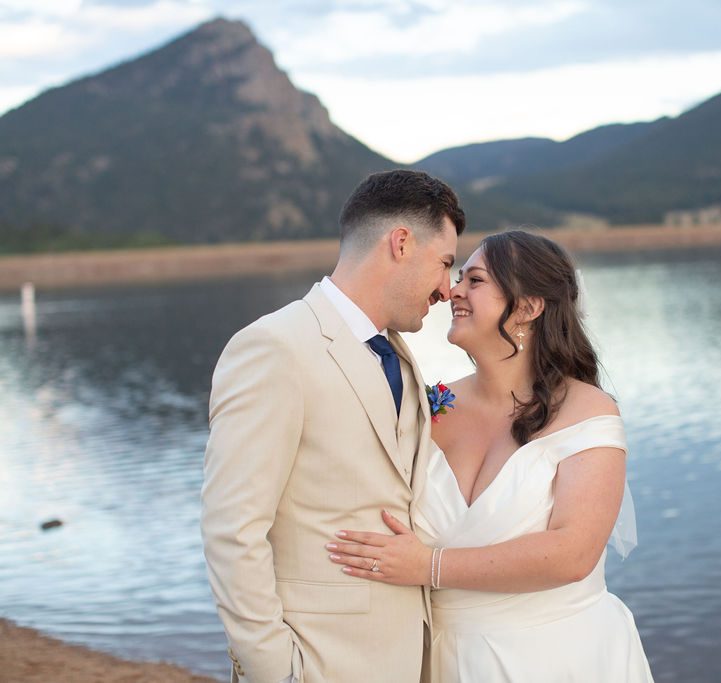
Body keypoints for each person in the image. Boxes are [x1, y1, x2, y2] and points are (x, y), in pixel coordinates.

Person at [325, 230, 654, 682]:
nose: (452, 290)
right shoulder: (427, 407)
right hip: (442, 662)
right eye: (458, 277)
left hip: (559, 658)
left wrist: (428, 566)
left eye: (474, 280)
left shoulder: (586, 410)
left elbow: (574, 553)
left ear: (528, 306)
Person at [200, 170, 465, 683]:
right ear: (402, 243)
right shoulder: (275, 347)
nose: (446, 289)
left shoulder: (401, 359)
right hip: (320, 663)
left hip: (410, 658)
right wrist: (276, 671)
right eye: (445, 263)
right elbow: (232, 529)